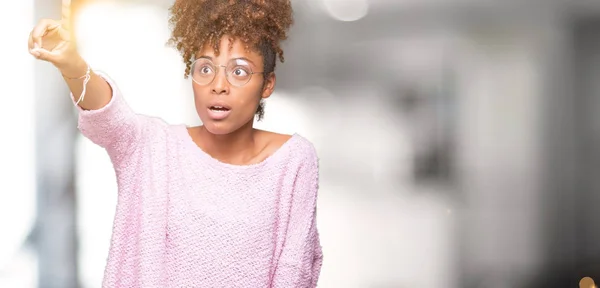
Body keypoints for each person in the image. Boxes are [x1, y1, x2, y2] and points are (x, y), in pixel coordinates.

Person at [28, 0, 323, 287]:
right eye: (206, 69)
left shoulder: (293, 160)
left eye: (239, 71)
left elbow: (293, 271)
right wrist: (73, 65)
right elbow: (111, 118)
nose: (218, 85)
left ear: (267, 84)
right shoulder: (154, 148)